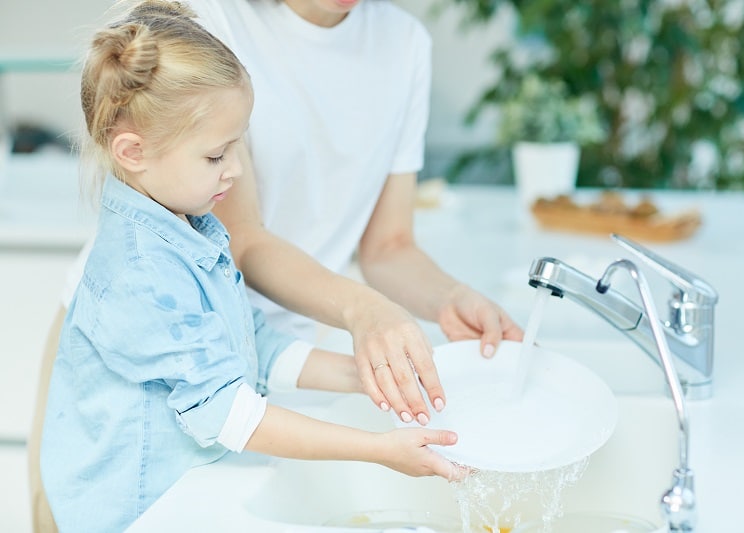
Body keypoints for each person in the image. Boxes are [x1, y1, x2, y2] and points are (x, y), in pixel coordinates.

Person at [29, 0, 524, 530]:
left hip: (207, 460)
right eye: (218, 156)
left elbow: (250, 346)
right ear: (132, 151)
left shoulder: (193, 228)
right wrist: (378, 446)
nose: (237, 170)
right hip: (138, 497)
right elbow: (225, 407)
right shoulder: (146, 272)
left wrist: (382, 376)